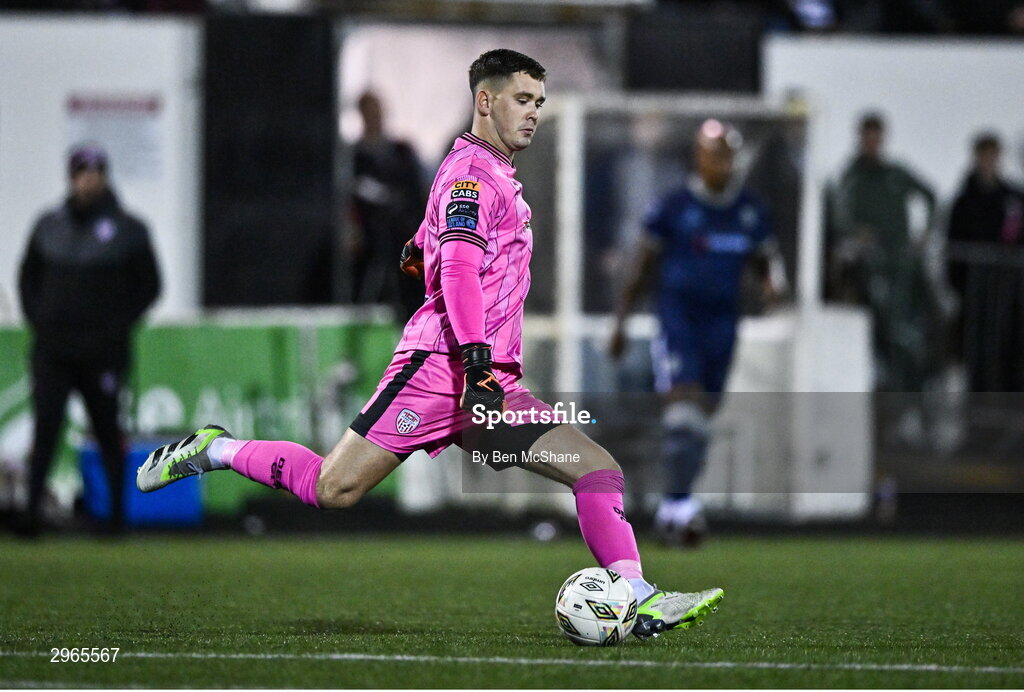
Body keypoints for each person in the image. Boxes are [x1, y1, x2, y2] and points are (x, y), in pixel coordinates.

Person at [137, 49, 723, 640]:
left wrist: (420, 248)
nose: (534, 114)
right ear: (485, 101)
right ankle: (214, 450)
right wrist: (475, 361)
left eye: (539, 103)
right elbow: (461, 271)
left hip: (486, 385)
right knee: (331, 488)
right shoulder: (473, 176)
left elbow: (437, 243)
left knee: (596, 470)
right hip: (443, 371)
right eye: (523, 100)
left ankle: (640, 597)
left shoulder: (479, 175)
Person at [609, 119, 782, 547]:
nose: (720, 162)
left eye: (726, 154)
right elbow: (643, 267)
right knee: (683, 412)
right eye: (712, 153)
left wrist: (770, 288)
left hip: (724, 324)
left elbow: (765, 264)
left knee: (701, 418)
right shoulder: (674, 207)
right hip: (678, 319)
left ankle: (673, 507)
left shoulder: (751, 211)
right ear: (698, 158)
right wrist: (621, 322)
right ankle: (679, 508)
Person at [17, 145, 161, 536]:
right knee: (45, 429)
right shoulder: (48, 226)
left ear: (105, 176)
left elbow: (149, 286)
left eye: (96, 171)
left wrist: (115, 325)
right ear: (71, 176)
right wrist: (40, 321)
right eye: (82, 171)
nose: (88, 178)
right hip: (54, 351)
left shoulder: (129, 229)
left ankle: (116, 518)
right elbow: (27, 279)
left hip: (103, 352)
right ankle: (30, 515)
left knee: (107, 430)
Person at [825, 112, 938, 394]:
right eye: (867, 138)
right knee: (878, 335)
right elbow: (839, 219)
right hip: (868, 268)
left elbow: (930, 195)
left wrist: (925, 233)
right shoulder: (852, 177)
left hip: (901, 266)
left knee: (909, 333)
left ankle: (910, 392)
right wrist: (856, 232)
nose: (872, 143)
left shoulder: (896, 174)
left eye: (876, 138)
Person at [947, 132, 1024, 391]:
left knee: (1011, 348)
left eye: (993, 156)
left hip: (1012, 291)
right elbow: (954, 245)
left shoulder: (1013, 198)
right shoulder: (964, 201)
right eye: (984, 156)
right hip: (976, 291)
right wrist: (959, 284)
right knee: (979, 352)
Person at [348, 91, 427, 320]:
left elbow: (418, 194)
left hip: (405, 236)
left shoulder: (403, 152)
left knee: (411, 293)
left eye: (378, 110)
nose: (375, 117)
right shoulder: (354, 157)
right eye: (369, 112)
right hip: (372, 240)